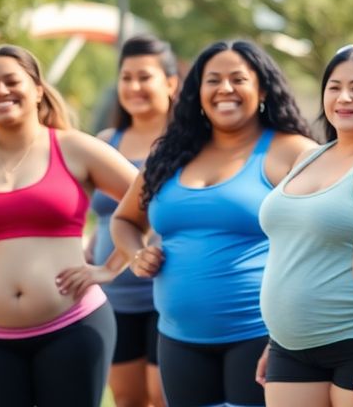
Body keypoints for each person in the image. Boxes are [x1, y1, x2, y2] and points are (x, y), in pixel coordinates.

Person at [111, 40, 318, 407]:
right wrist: (136, 253)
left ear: (263, 89)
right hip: (177, 338)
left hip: (259, 336)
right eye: (213, 80)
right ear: (197, 92)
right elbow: (125, 220)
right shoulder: (170, 154)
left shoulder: (292, 151)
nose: (225, 89)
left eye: (238, 79)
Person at [0, 45, 138, 406]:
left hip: (73, 328)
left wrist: (112, 266)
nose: (1, 92)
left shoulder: (74, 148)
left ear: (38, 88)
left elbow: (151, 199)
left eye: (12, 81)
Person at [255, 44, 353, 407]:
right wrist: (276, 340)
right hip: (289, 348)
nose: (343, 97)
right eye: (334, 86)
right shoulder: (307, 155)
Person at [85, 35, 178, 407]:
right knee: (126, 398)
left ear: (171, 84)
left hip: (165, 295)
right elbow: (99, 214)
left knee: (163, 396)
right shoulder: (104, 142)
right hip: (113, 298)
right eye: (126, 77)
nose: (134, 87)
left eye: (145, 77)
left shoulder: (188, 145)